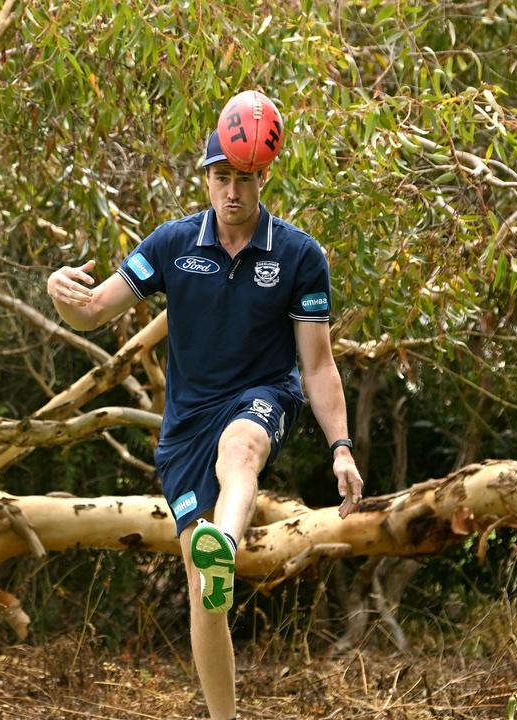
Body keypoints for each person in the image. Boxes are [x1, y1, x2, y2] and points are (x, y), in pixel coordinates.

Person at [45, 126, 364, 720]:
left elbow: (318, 366)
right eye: (223, 178)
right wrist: (58, 290)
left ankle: (228, 539)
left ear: (263, 177)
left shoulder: (298, 255)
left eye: (245, 178)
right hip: (185, 430)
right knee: (203, 593)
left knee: (241, 447)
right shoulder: (172, 244)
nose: (233, 191)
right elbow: (91, 311)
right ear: (207, 179)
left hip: (263, 395)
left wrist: (340, 446)